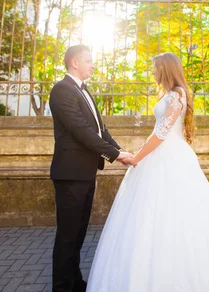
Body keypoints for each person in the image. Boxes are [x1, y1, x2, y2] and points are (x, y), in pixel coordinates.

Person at [87, 52, 209, 292]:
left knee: (177, 215)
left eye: (155, 68)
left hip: (169, 158)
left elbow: (162, 133)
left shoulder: (177, 94)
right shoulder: (169, 94)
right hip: (161, 155)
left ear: (165, 69)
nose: (152, 72)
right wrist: (141, 154)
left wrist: (136, 157)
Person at [49, 45, 133, 292]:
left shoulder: (84, 90)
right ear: (74, 62)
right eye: (88, 60)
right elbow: (80, 130)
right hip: (70, 173)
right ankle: (63, 287)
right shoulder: (62, 90)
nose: (92, 65)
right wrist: (115, 156)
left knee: (78, 234)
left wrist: (121, 151)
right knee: (67, 235)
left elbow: (100, 129)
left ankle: (75, 282)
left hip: (85, 172)